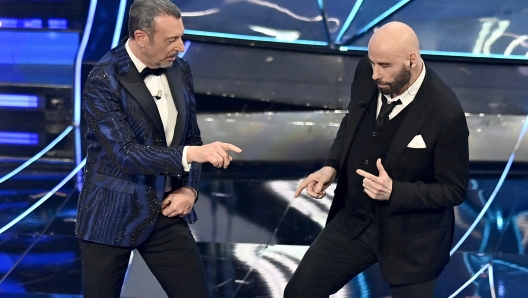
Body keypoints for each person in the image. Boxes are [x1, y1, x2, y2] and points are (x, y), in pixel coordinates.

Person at [284, 22, 469, 298]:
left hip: (411, 239)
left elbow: (453, 189)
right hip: (355, 221)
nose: (375, 74)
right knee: (299, 293)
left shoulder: (446, 113)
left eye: (384, 66)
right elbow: (352, 120)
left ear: (412, 60)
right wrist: (332, 165)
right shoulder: (368, 71)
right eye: (372, 63)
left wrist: (394, 191)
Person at [75, 0, 241, 297]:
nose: (181, 46)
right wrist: (190, 157)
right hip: (111, 213)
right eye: (171, 40)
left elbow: (191, 136)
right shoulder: (103, 80)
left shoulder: (181, 70)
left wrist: (189, 190)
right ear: (141, 37)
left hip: (165, 211)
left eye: (180, 36)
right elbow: (125, 154)